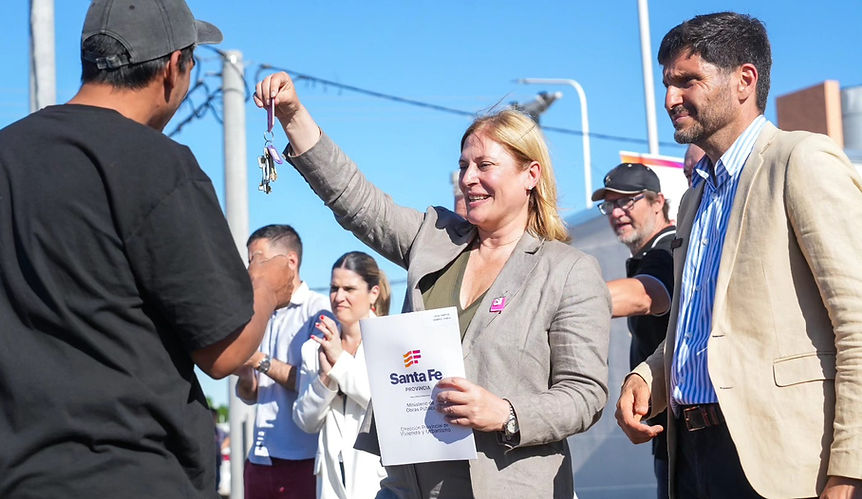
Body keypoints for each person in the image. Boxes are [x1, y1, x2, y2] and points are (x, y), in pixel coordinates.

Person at [0, 1, 294, 496]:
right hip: (129, 473)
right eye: (192, 63)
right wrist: (267, 285)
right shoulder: (154, 163)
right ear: (173, 67)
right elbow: (226, 349)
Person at [254, 72, 612, 498]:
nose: (468, 178)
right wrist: (293, 115)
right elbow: (356, 199)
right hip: (410, 486)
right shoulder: (435, 238)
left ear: (530, 175)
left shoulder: (568, 270)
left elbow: (584, 395)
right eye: (463, 166)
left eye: (484, 165)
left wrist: (504, 412)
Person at [614, 12, 862, 499]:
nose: (670, 100)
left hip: (781, 469)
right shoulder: (694, 200)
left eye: (687, 81)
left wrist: (850, 469)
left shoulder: (800, 160)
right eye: (667, 84)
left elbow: (857, 322)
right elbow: (702, 329)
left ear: (745, 80)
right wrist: (649, 376)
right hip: (690, 459)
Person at [592, 162, 675, 499]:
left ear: (658, 202)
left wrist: (558, 299)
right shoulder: (651, 254)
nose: (616, 212)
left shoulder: (668, 248)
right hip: (669, 434)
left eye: (627, 200)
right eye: (610, 204)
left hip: (690, 434)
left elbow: (645, 295)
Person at [236, 225, 332, 499]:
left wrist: (257, 359)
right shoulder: (256, 310)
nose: (251, 269)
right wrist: (245, 374)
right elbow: (250, 395)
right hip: (259, 458)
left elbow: (315, 383)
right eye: (250, 261)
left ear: (291, 261)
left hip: (303, 459)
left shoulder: (318, 309)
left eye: (258, 260)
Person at [293, 251, 391, 499]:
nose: (339, 297)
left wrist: (340, 362)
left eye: (349, 289)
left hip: (380, 481)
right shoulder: (313, 348)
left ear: (373, 293)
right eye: (334, 288)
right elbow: (305, 421)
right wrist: (325, 381)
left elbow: (388, 406)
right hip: (331, 481)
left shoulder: (392, 341)